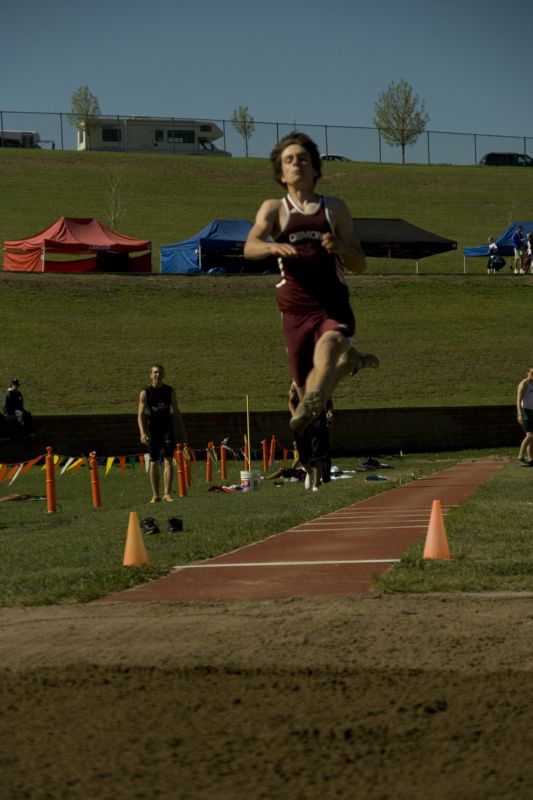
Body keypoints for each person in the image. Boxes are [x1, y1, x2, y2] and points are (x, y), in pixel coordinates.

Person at [244, 131, 378, 434]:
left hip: (332, 302)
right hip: (294, 308)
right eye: (289, 160)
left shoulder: (335, 209)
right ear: (281, 172)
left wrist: (341, 249)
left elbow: (360, 264)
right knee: (305, 390)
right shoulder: (273, 209)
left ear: (316, 168)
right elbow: (249, 246)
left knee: (328, 348)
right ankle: (347, 366)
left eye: (303, 159)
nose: (297, 164)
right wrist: (271, 246)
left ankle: (328, 381)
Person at [137, 365, 187, 503]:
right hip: (153, 430)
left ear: (163, 374)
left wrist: (182, 431)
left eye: (160, 372)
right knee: (153, 462)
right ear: (151, 375)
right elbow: (140, 415)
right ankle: (155, 495)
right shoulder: (145, 392)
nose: (157, 375)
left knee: (168, 460)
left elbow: (176, 411)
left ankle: (167, 493)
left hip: (167, 429)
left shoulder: (169, 391)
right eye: (155, 372)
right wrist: (142, 433)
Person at [516, 367, 533, 464]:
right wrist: (519, 414)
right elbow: (518, 400)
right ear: (528, 372)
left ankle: (531, 459)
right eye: (532, 372)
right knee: (530, 435)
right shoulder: (524, 383)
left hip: (532, 412)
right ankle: (520, 457)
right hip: (525, 411)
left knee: (532, 437)